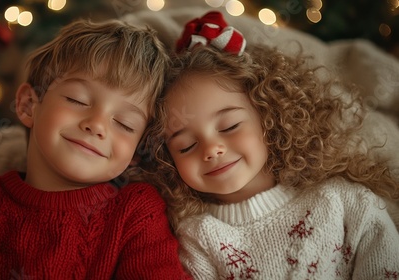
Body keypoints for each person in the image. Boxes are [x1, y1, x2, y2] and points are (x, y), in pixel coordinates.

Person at [0, 18, 191, 279]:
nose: (97, 125)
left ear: (137, 151)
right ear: (28, 105)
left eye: (125, 124)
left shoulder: (136, 212)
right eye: (77, 100)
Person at [143, 11, 399, 279]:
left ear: (270, 115)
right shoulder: (197, 238)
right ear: (168, 159)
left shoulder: (343, 202)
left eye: (230, 126)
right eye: (186, 145)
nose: (211, 149)